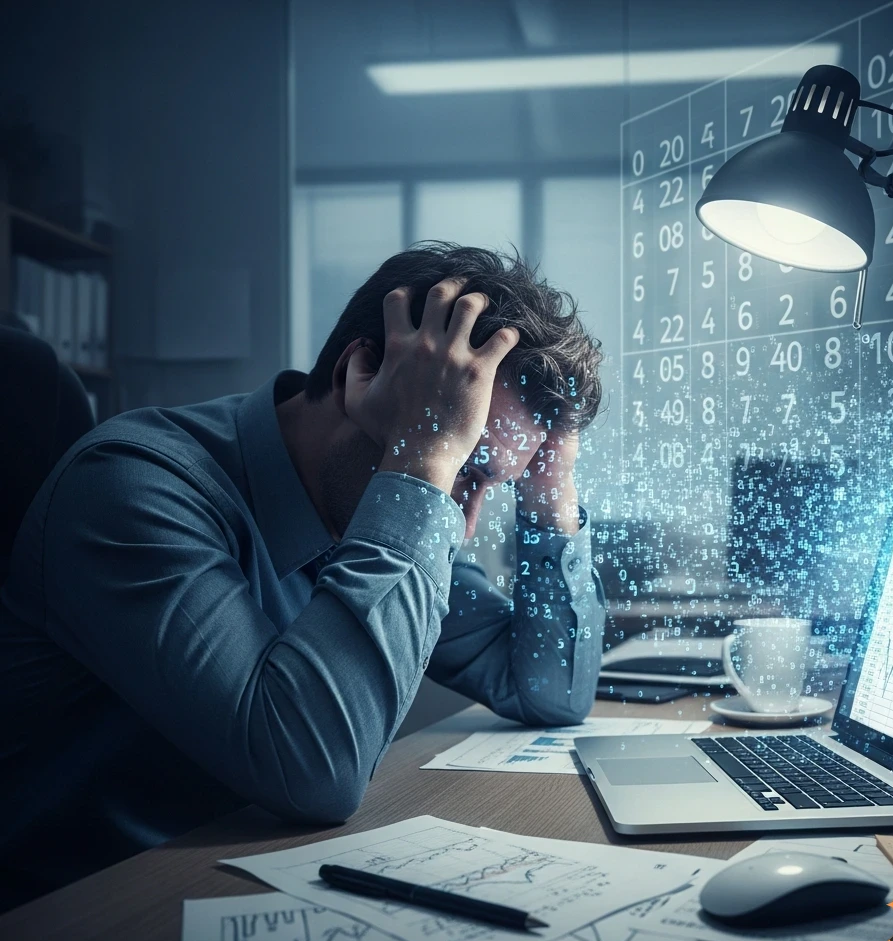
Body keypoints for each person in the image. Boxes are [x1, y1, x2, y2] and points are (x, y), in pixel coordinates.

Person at [0, 243, 606, 904]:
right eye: (462, 465)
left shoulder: (368, 505)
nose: (458, 525)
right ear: (361, 375)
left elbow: (548, 691)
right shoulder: (128, 489)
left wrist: (552, 494)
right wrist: (425, 455)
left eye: (486, 480)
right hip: (76, 933)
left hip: (240, 889)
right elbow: (314, 768)